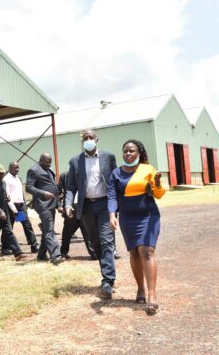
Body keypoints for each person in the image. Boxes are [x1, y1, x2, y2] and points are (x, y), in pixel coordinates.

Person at [108, 139, 165, 315]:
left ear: (139, 153)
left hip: (148, 215)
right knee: (134, 252)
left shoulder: (148, 170)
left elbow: (159, 194)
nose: (128, 154)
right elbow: (111, 196)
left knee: (146, 251)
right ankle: (140, 288)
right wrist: (112, 215)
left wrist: (156, 182)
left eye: (132, 151)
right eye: (125, 151)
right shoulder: (116, 173)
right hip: (127, 217)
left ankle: (152, 294)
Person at [65, 129, 118, 299]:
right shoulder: (75, 161)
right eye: (85, 138)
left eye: (90, 137)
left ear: (96, 139)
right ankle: (107, 275)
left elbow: (115, 182)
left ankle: (108, 281)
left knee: (106, 240)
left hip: (105, 204)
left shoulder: (108, 157)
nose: (88, 140)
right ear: (82, 141)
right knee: (95, 243)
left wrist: (116, 206)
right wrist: (67, 204)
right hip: (86, 206)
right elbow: (71, 187)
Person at [26, 153, 63, 265]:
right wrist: (43, 193)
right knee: (50, 230)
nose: (49, 164)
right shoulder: (33, 170)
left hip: (52, 203)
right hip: (43, 204)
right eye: (47, 161)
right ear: (41, 160)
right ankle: (55, 255)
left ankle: (41, 255)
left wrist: (58, 201)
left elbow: (53, 185)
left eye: (50, 161)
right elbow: (29, 187)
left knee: (47, 230)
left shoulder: (49, 169)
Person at [0, 164, 28, 262]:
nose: (2, 175)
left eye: (3, 173)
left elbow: (5, 196)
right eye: (0, 173)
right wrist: (0, 212)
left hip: (5, 213)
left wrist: (8, 201)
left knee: (9, 233)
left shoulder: (4, 183)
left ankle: (18, 253)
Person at [58, 171, 96, 260]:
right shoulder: (64, 176)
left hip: (85, 207)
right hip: (71, 208)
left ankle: (94, 254)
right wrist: (59, 205)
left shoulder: (88, 174)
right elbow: (58, 191)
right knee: (67, 232)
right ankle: (63, 252)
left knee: (88, 232)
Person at [4, 161, 39, 254]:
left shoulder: (18, 178)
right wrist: (13, 210)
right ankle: (5, 247)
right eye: (15, 168)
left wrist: (24, 203)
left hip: (20, 206)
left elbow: (20, 192)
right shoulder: (6, 179)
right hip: (11, 207)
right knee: (9, 227)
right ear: (10, 168)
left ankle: (34, 245)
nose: (17, 169)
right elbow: (7, 196)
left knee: (27, 225)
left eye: (18, 167)